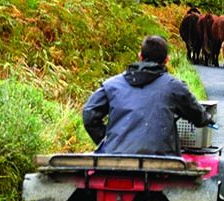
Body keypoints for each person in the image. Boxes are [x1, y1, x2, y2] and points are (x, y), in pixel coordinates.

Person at [82, 35, 214, 156]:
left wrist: (108, 140)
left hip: (116, 158)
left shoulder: (111, 85)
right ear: (166, 60)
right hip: (163, 160)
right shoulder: (174, 87)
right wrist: (206, 118)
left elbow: (89, 114)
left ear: (140, 56)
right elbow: (198, 117)